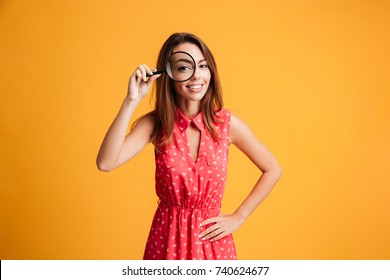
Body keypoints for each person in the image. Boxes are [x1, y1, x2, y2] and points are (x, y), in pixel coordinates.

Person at [96, 32, 282, 260]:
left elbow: (273, 169)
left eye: (203, 66)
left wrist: (239, 216)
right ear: (168, 74)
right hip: (166, 241)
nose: (197, 76)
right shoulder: (156, 124)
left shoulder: (227, 125)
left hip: (213, 244)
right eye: (185, 68)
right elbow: (106, 163)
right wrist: (131, 101)